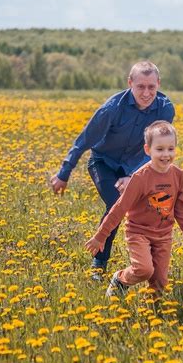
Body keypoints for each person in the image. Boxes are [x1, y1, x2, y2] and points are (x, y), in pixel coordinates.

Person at [50, 61, 174, 276]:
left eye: (151, 87)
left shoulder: (165, 109)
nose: (146, 93)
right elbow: (84, 140)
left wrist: (132, 177)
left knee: (154, 207)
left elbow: (156, 149)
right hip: (103, 162)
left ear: (159, 84)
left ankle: (150, 262)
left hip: (136, 164)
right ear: (130, 83)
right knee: (117, 204)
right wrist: (64, 173)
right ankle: (99, 263)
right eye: (140, 87)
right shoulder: (112, 109)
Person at [85, 121, 183, 297]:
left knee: (160, 284)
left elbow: (181, 210)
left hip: (164, 236)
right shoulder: (140, 177)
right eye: (160, 149)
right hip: (138, 232)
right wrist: (100, 236)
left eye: (170, 149)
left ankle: (153, 315)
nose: (166, 154)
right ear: (148, 150)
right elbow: (120, 207)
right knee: (143, 269)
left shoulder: (179, 176)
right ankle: (120, 279)